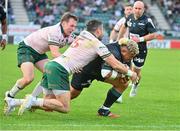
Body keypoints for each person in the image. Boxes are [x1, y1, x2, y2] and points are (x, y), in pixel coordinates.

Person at [16, 19, 138, 115]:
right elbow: (109, 69)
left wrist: (124, 73)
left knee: (50, 103)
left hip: (54, 65)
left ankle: (20, 101)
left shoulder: (83, 34)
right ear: (99, 31)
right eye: (103, 31)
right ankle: (28, 100)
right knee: (64, 105)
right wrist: (130, 73)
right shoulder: (98, 44)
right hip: (74, 70)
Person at [4, 12, 78, 115]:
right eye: (71, 25)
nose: (73, 28)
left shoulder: (70, 34)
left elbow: (79, 43)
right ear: (63, 23)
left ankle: (31, 100)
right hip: (27, 48)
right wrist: (71, 63)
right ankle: (9, 96)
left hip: (40, 53)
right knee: (28, 78)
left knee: (50, 72)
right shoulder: (55, 32)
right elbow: (55, 53)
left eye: (75, 26)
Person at [70, 38, 139, 118]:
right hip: (87, 70)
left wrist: (126, 76)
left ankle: (104, 110)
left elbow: (128, 68)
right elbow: (106, 74)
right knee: (73, 94)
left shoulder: (124, 53)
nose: (131, 59)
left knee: (123, 83)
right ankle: (53, 101)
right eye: (131, 56)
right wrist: (124, 75)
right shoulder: (113, 52)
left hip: (99, 71)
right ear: (124, 51)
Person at [118, 1, 158, 97]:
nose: (137, 10)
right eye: (135, 8)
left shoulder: (147, 20)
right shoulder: (130, 17)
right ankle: (119, 92)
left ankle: (135, 85)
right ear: (133, 9)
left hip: (141, 50)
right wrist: (119, 39)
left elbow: (154, 35)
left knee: (136, 72)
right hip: (128, 47)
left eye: (140, 9)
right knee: (123, 68)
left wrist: (139, 39)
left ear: (143, 10)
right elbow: (124, 26)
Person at [109, 3, 133, 103]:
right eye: (127, 9)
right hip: (122, 48)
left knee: (127, 69)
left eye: (130, 9)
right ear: (124, 11)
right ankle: (118, 94)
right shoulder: (122, 21)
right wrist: (111, 41)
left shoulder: (136, 21)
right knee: (121, 69)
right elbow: (114, 31)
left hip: (131, 48)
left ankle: (119, 93)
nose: (129, 11)